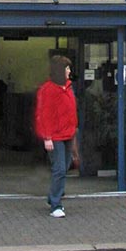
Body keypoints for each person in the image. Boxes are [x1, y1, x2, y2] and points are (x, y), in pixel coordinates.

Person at [34, 55, 79, 218]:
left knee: (65, 166)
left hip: (68, 134)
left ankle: (53, 195)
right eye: (67, 68)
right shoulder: (48, 89)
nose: (69, 71)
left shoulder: (68, 87)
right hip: (55, 136)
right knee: (59, 168)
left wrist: (74, 129)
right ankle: (55, 204)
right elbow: (44, 114)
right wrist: (47, 137)